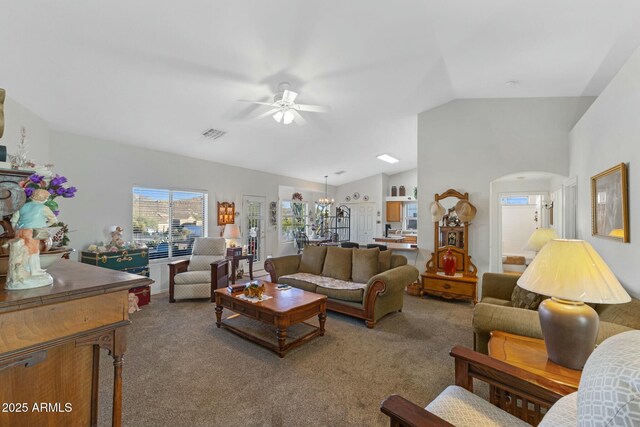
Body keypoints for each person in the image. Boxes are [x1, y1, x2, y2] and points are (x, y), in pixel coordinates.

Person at [6, 188, 57, 289]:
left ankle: (24, 271)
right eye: (46, 198)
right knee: (33, 251)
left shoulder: (22, 206)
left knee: (20, 252)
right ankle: (34, 271)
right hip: (31, 232)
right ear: (44, 198)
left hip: (20, 231)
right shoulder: (44, 208)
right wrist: (44, 225)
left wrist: (16, 230)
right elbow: (54, 220)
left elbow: (14, 221)